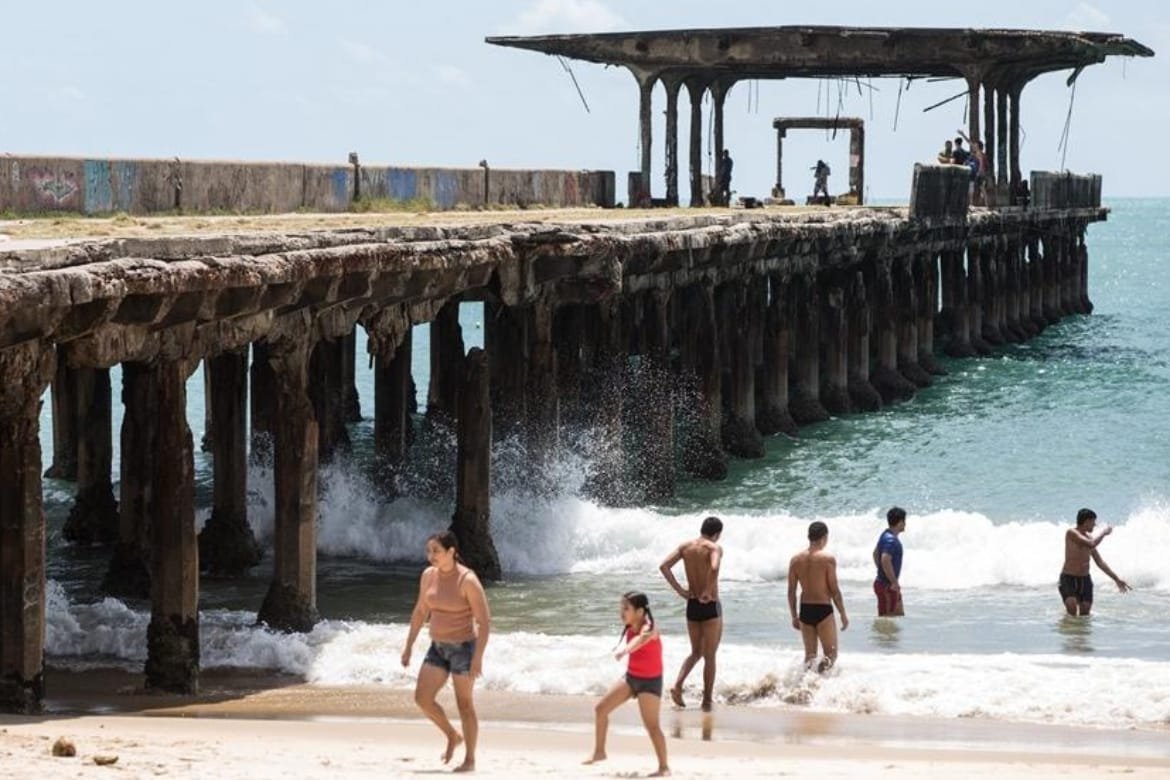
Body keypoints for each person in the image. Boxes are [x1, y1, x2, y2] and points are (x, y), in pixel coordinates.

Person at [401, 531, 491, 773]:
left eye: (436, 551)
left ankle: (470, 759)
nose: (431, 556)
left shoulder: (467, 580)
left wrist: (478, 658)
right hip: (437, 648)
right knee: (422, 699)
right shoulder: (428, 576)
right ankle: (452, 735)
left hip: (464, 649)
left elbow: (484, 621)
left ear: (451, 552)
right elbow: (421, 611)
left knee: (464, 704)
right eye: (429, 551)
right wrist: (409, 646)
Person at [584, 591, 670, 777]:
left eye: (626, 608)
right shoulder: (631, 625)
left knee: (652, 726)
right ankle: (600, 752)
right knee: (601, 709)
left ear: (639, 611)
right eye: (621, 608)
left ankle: (664, 767)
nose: (621, 612)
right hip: (631, 678)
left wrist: (625, 651)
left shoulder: (650, 627)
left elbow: (642, 639)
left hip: (650, 683)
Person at [659, 516, 724, 711]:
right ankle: (706, 700)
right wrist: (707, 590)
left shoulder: (685, 547)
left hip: (692, 604)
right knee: (710, 655)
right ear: (717, 533)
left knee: (696, 652)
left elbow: (664, 566)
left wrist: (680, 590)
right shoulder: (713, 548)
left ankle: (677, 685)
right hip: (710, 604)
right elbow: (714, 567)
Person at [787, 522, 848, 673]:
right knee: (831, 655)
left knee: (809, 657)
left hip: (805, 610)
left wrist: (794, 616)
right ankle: (818, 685)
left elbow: (791, 592)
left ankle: (805, 688)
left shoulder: (795, 560)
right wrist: (843, 614)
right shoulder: (827, 559)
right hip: (823, 609)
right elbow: (834, 591)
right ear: (824, 537)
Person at [1060, 508, 1131, 616]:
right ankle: (1069, 630)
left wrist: (1116, 579)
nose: (1095, 525)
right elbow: (1091, 544)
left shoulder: (1089, 537)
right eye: (1093, 522)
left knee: (1085, 614)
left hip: (1085, 579)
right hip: (1069, 578)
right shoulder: (1071, 533)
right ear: (1087, 521)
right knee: (1072, 610)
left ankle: (1081, 632)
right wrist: (1104, 533)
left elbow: (1100, 562)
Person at [873, 507, 907, 617]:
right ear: (900, 522)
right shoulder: (891, 540)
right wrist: (893, 581)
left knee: (899, 615)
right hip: (887, 586)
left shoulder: (885, 535)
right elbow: (885, 559)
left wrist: (882, 570)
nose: (905, 524)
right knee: (887, 620)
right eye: (904, 521)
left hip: (888, 585)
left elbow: (875, 554)